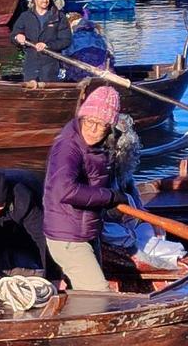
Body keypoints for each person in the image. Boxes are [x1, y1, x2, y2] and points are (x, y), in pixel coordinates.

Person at [42, 85, 127, 291]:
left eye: (101, 125)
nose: (93, 129)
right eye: (89, 121)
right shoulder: (68, 147)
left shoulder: (102, 145)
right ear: (82, 117)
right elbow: (65, 190)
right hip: (67, 235)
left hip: (87, 230)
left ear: (110, 127)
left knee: (83, 292)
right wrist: (109, 197)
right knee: (98, 294)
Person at [0, 168, 51, 278]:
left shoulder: (24, 200)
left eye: (0, 206)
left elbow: (42, 237)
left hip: (23, 221)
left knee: (28, 252)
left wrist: (53, 276)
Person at [12, 0, 71, 83]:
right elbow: (13, 36)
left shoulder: (59, 17)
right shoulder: (25, 16)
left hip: (51, 67)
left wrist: (48, 45)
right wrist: (17, 37)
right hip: (31, 67)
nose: (45, 0)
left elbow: (66, 41)